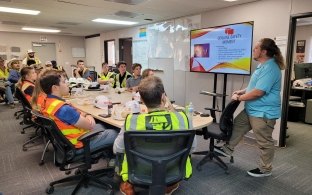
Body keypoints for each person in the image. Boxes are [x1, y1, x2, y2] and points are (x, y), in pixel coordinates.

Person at [113, 76, 196, 195]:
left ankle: (128, 186)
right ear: (163, 96)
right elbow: (192, 148)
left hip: (139, 170)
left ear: (141, 99)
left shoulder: (131, 121)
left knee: (120, 153)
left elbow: (117, 149)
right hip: (172, 169)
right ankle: (170, 185)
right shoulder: (184, 119)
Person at [218, 38, 285, 177]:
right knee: (237, 125)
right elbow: (253, 86)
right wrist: (242, 91)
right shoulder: (262, 65)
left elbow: (259, 92)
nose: (253, 50)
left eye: (255, 48)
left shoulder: (271, 67)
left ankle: (265, 169)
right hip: (252, 110)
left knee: (264, 142)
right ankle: (228, 148)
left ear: (263, 51)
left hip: (263, 113)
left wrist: (239, 98)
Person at [39, 73, 118, 152]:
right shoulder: (64, 109)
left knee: (101, 126)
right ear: (55, 88)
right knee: (115, 132)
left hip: (66, 141)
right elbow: (90, 125)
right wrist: (88, 114)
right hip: (79, 144)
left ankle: (107, 152)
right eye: (63, 82)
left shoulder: (49, 102)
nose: (67, 83)